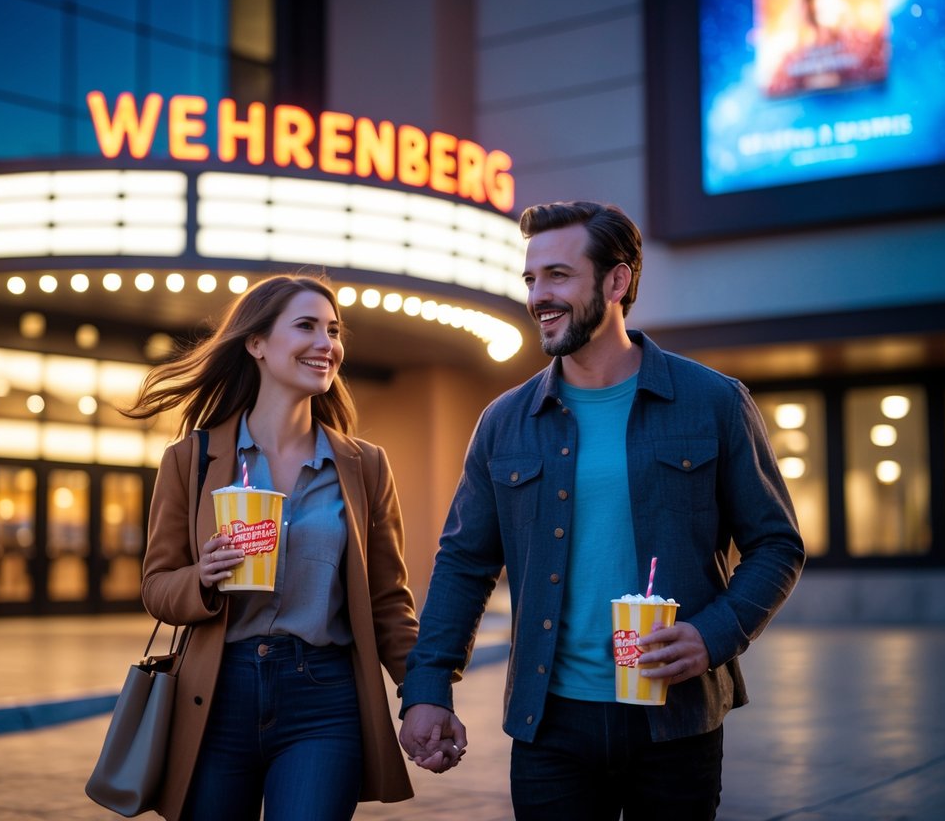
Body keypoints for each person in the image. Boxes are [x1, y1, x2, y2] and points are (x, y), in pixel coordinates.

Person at [398, 201, 806, 819]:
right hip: (549, 724)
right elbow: (463, 563)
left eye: (558, 275)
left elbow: (777, 544)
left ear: (617, 282)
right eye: (531, 279)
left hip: (677, 724)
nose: (538, 295)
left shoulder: (713, 402)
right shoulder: (505, 422)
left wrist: (712, 635)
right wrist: (428, 687)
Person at [125, 274, 431, 821]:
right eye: (307, 326)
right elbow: (156, 587)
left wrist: (423, 691)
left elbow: (389, 601)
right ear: (257, 343)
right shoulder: (189, 460)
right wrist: (203, 576)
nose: (327, 343)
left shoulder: (364, 466)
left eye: (333, 331)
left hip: (324, 699)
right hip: (217, 695)